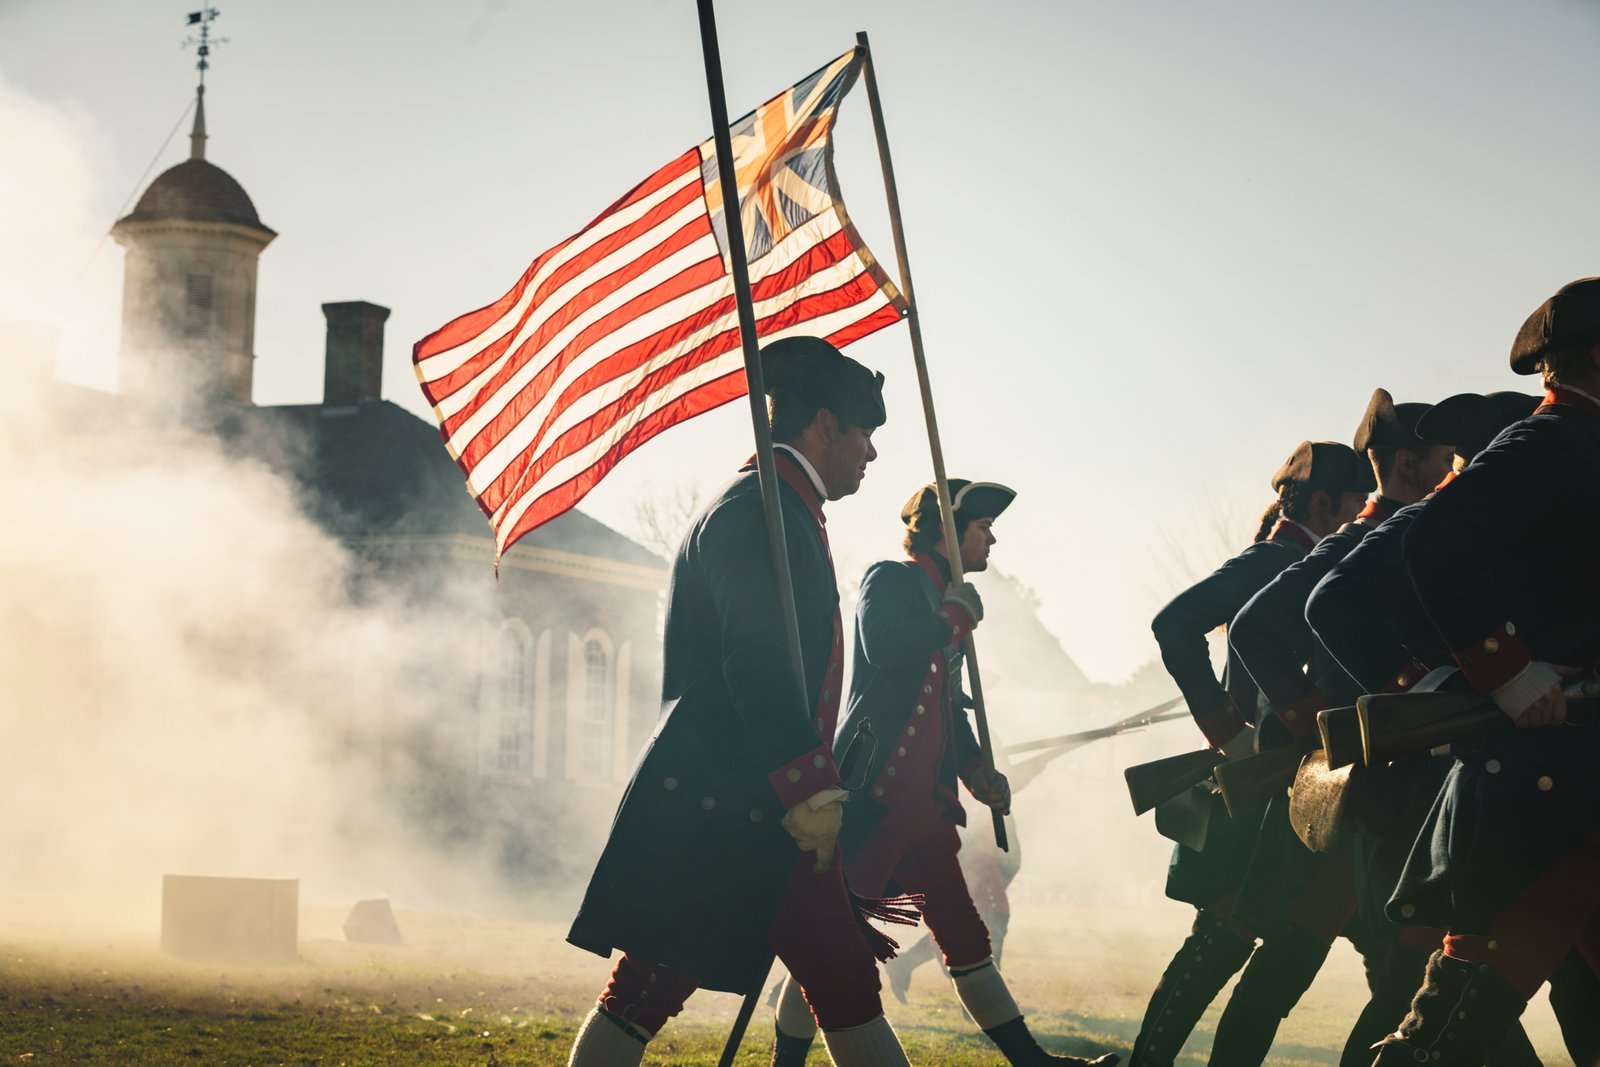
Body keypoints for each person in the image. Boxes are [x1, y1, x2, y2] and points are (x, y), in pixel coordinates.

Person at [564, 335, 912, 1066]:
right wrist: (807, 782)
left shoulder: (783, 508)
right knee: (645, 989)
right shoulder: (758, 513)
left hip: (763, 810)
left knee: (843, 984)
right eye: (866, 434)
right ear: (825, 426)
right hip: (736, 805)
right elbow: (754, 661)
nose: (872, 454)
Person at [770, 480, 1117, 1066]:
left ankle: (1030, 1061)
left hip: (925, 817)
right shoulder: (892, 579)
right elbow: (883, 646)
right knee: (835, 943)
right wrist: (952, 619)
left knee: (965, 937)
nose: (993, 537)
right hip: (872, 805)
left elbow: (946, 712)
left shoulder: (945, 610)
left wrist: (979, 769)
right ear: (946, 533)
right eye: (981, 528)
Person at [1371, 277, 1600, 1064]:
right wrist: (1504, 669)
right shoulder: (1554, 440)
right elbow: (1427, 543)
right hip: (1557, 776)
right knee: (1457, 1019)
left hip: (1575, 775)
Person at [1204, 390, 1451, 1066]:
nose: (1454, 467)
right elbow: (1254, 628)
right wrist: (1316, 714)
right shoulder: (1388, 539)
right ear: (1409, 463)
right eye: (1442, 457)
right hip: (1379, 793)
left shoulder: (1371, 536)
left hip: (1361, 789)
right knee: (1417, 982)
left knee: (1315, 968)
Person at [1129, 439, 1372, 1067]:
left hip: (1303, 780)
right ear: (1321, 502)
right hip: (1264, 782)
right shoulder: (1275, 560)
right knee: (1224, 936)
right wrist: (1229, 734)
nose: (1363, 512)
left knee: (1265, 941)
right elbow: (1174, 626)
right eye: (1353, 502)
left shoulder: (1311, 559)